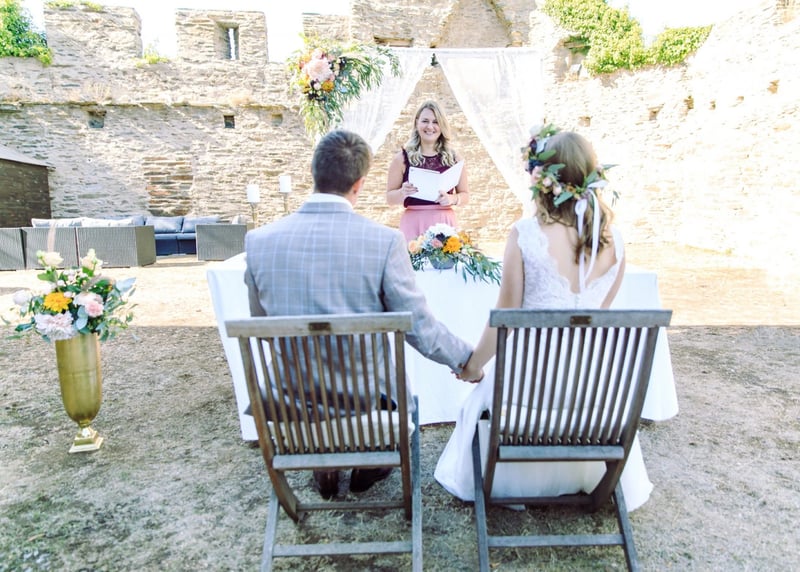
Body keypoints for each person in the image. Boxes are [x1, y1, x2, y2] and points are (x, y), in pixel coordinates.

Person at [244, 129, 480, 500]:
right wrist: (468, 361)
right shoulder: (384, 242)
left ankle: (322, 459)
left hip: (293, 404)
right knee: (385, 390)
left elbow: (261, 326)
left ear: (314, 173)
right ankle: (370, 462)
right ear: (359, 184)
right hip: (364, 402)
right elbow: (419, 328)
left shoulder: (259, 242)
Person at [434, 129, 655, 512]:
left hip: (523, 397)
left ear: (543, 178)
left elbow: (503, 319)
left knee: (478, 402)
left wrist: (472, 366)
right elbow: (596, 319)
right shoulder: (615, 242)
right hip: (587, 398)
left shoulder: (525, 235)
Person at [386, 100, 470, 241]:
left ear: (442, 126)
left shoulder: (454, 158)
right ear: (417, 123)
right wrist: (402, 192)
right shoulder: (401, 159)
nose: (430, 127)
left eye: (436, 122)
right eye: (425, 121)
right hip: (413, 224)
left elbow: (465, 195)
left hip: (445, 224)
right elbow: (390, 198)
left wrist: (452, 199)